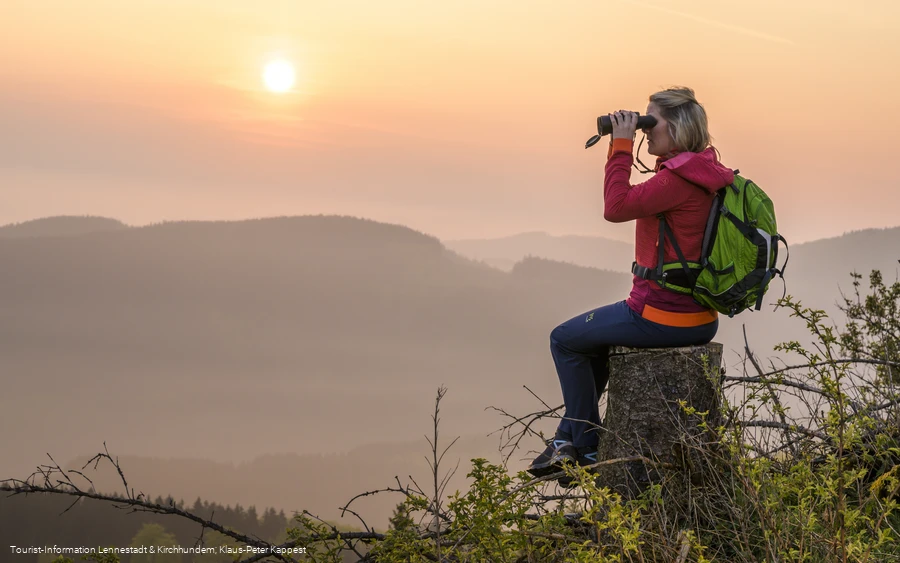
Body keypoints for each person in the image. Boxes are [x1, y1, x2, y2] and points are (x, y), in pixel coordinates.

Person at [527, 87, 734, 479]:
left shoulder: (676, 182)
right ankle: (567, 440)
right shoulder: (706, 173)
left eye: (651, 121)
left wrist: (621, 145)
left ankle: (584, 448)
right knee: (592, 343)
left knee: (564, 339)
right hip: (700, 318)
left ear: (676, 127)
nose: (645, 130)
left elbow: (615, 207)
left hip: (660, 315)